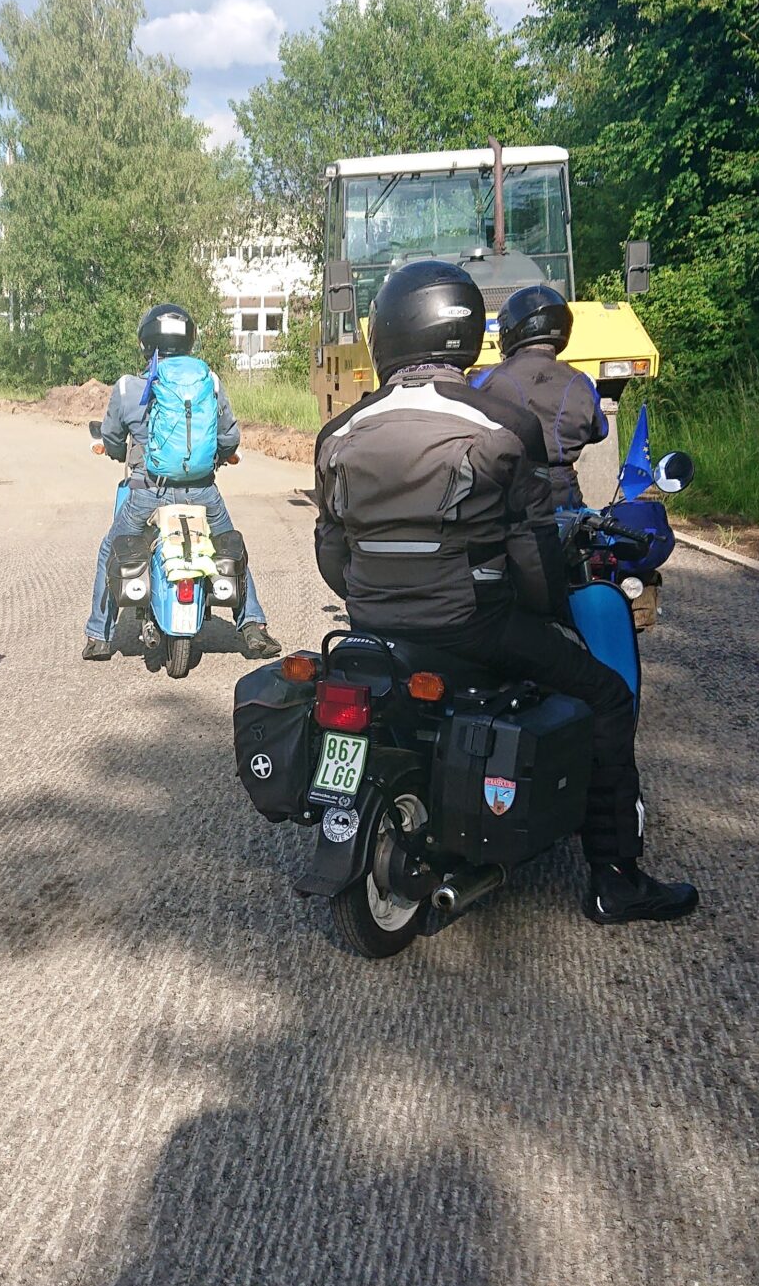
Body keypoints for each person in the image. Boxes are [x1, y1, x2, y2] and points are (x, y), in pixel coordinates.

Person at [312, 261, 696, 924]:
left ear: (387, 334)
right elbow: (533, 549)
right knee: (603, 693)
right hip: (474, 624)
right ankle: (616, 878)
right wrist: (552, 613)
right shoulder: (500, 423)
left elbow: (331, 553)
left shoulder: (337, 432)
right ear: (464, 334)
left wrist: (380, 601)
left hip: (372, 623)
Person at [82, 304, 282, 662]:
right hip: (203, 491)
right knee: (228, 545)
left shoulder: (129, 388)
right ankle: (252, 625)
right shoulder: (210, 382)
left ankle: (99, 636)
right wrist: (217, 458)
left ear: (146, 343)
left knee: (110, 549)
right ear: (189, 341)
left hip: (148, 493)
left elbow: (112, 438)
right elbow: (229, 439)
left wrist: (116, 450)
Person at [475, 285, 608, 508]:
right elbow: (600, 430)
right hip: (564, 491)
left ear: (513, 328)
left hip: (511, 490)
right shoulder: (581, 380)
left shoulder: (487, 377)